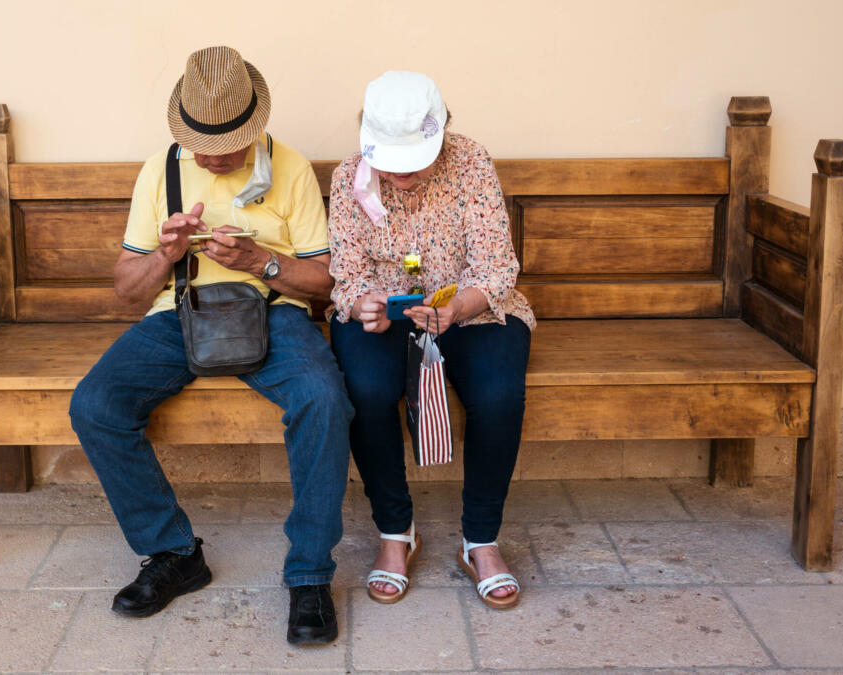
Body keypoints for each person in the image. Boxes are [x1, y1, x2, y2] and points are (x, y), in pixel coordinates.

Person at [69, 46, 353, 645]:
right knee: (95, 404)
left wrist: (260, 262)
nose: (207, 157)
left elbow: (325, 281)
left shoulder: (292, 169)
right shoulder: (161, 170)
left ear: (254, 128)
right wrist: (167, 254)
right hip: (180, 314)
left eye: (221, 146)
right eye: (197, 142)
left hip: (274, 317)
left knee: (324, 401)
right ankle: (173, 553)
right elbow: (126, 289)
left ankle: (309, 574)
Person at [327, 71, 536, 609]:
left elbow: (496, 265)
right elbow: (346, 274)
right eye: (392, 162)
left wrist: (458, 307)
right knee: (366, 391)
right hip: (389, 318)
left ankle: (480, 541)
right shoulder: (349, 176)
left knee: (497, 394)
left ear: (442, 134)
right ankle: (397, 533)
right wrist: (363, 304)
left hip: (470, 309)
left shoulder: (471, 162)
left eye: (416, 159)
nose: (404, 173)